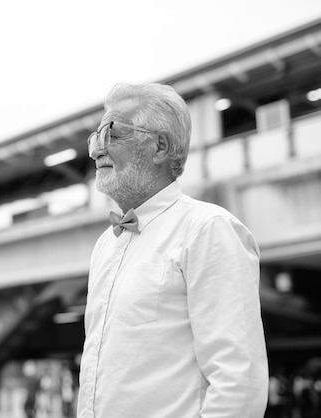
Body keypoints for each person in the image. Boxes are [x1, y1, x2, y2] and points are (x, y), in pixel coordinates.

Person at [76, 82, 269, 418]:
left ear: (159, 146)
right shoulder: (106, 245)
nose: (96, 150)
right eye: (96, 137)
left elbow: (239, 382)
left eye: (111, 133)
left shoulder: (208, 230)